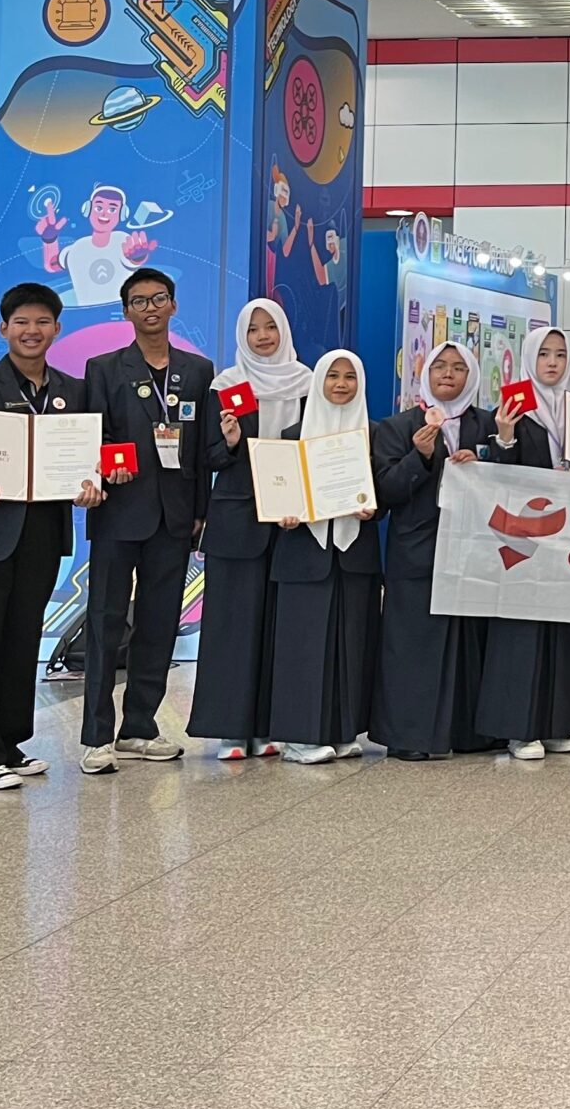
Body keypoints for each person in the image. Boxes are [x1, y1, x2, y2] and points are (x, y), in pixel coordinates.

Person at [0, 284, 95, 792]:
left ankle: (7, 742)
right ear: (4, 328)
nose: (32, 331)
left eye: (42, 322)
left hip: (43, 534)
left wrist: (89, 484)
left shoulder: (74, 392)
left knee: (22, 637)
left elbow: (83, 458)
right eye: (22, 322)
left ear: (57, 329)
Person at [78, 266, 219, 776]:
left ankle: (139, 726)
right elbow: (92, 433)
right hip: (119, 511)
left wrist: (200, 510)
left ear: (173, 305)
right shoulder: (104, 368)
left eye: (159, 299)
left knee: (159, 625)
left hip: (175, 517)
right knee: (105, 622)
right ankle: (97, 736)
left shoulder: (198, 370)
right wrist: (100, 470)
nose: (150, 308)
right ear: (126, 311)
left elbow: (202, 448)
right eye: (139, 301)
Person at [191, 297, 308, 761]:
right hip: (237, 519)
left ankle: (271, 725)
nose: (262, 336)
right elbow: (208, 456)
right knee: (232, 625)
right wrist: (232, 442)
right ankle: (231, 730)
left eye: (270, 327)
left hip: (292, 520)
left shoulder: (307, 382)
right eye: (253, 329)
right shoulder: (226, 385)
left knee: (280, 625)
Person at [372, 341, 494, 760]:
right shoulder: (398, 427)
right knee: (412, 644)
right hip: (417, 552)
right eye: (440, 365)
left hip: (474, 551)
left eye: (459, 367)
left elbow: (512, 477)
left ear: (471, 376)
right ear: (425, 373)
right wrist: (420, 457)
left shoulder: (489, 425)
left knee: (467, 641)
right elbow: (386, 491)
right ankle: (409, 736)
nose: (448, 373)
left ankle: (470, 734)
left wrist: (488, 461)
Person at [476, 324, 570, 761]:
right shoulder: (513, 407)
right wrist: (504, 437)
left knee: (563, 630)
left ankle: (557, 725)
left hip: (568, 538)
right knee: (522, 632)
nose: (552, 362)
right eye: (544, 354)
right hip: (525, 537)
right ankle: (520, 730)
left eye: (560, 354)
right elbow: (498, 472)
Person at [270, 349, 379, 765]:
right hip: (304, 552)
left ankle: (341, 730)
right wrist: (283, 513)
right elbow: (278, 491)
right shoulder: (292, 435)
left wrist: (373, 508)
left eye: (350, 377)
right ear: (318, 381)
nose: (341, 384)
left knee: (350, 644)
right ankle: (300, 737)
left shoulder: (374, 433)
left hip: (354, 555)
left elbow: (384, 490)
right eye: (333, 375)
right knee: (303, 645)